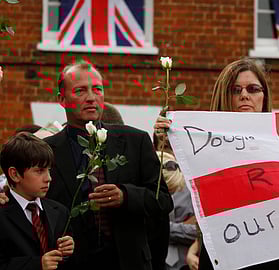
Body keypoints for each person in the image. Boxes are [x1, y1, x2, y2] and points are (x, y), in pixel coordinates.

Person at [154, 58, 279, 270]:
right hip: (227, 253)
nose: (245, 95)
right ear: (224, 96)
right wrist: (168, 136)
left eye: (253, 89)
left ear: (264, 96)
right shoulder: (203, 143)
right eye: (236, 90)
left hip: (278, 255)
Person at [41, 61, 172, 270]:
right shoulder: (46, 151)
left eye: (97, 89)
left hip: (128, 262)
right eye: (80, 91)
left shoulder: (135, 141)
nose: (91, 97)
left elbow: (163, 202)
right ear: (62, 99)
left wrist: (126, 196)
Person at [0, 132, 74, 270]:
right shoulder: (3, 214)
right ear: (14, 174)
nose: (48, 178)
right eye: (39, 171)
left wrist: (68, 250)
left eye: (49, 170)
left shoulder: (59, 211)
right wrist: (38, 264)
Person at [153, 134, 197, 270]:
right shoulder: (147, 186)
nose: (168, 153)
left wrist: (164, 227)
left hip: (185, 263)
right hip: (155, 261)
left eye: (172, 147)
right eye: (164, 147)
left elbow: (199, 231)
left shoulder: (193, 186)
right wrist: (181, 225)